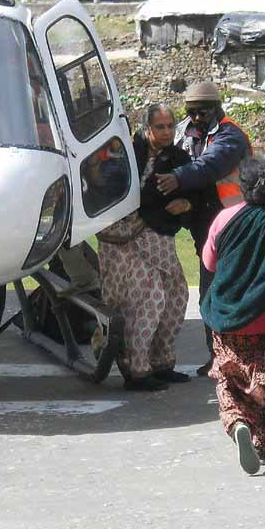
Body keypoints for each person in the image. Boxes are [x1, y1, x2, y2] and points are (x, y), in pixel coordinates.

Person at [201, 157, 265, 475]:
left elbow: (209, 263)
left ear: (242, 187)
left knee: (227, 378)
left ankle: (238, 422)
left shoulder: (224, 218)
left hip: (226, 319)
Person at [98, 104, 197, 391]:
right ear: (147, 129)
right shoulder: (125, 154)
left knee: (175, 297)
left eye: (170, 127)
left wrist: (186, 203)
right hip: (122, 240)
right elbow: (110, 189)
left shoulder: (179, 158)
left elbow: (194, 194)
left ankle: (162, 363)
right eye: (160, 127)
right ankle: (136, 370)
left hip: (159, 237)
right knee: (146, 300)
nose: (166, 132)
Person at [156, 81, 250, 376]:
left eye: (201, 112)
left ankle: (234, 358)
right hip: (204, 225)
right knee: (209, 293)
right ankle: (217, 357)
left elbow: (210, 165)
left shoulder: (230, 136)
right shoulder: (187, 132)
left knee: (226, 292)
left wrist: (178, 178)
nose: (195, 118)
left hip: (234, 225)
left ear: (216, 108)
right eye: (191, 112)